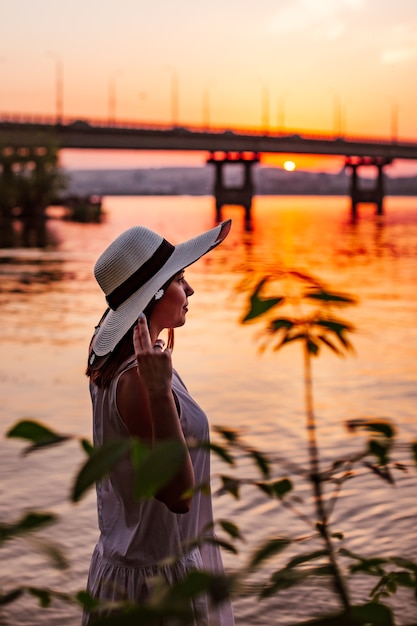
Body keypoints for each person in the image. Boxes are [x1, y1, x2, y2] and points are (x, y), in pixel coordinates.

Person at [82, 218, 234, 625]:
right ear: (151, 296)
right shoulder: (138, 378)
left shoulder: (144, 361)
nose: (190, 290)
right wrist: (158, 391)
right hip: (154, 589)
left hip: (147, 565)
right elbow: (179, 495)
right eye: (180, 279)